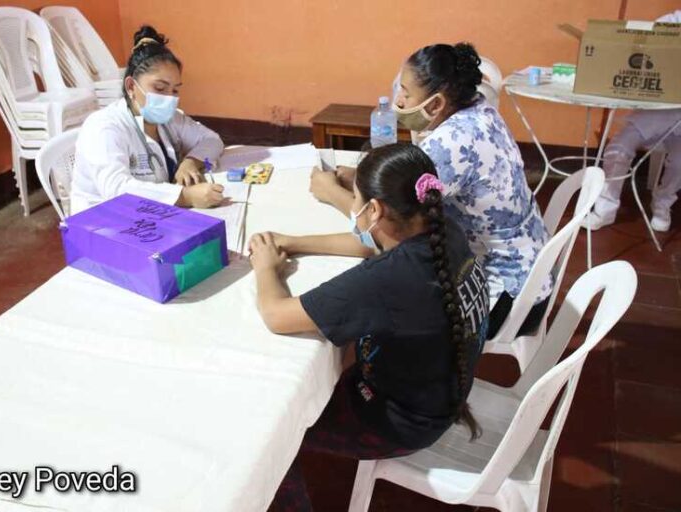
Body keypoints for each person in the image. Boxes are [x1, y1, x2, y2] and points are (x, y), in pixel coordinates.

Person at [248, 144, 490, 511]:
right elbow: (368, 245)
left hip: (397, 423)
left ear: (374, 210)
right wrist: (291, 241)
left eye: (357, 202)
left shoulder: (391, 281)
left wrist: (266, 267)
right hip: (436, 396)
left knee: (267, 439)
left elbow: (277, 315)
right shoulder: (442, 231)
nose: (355, 211)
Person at [310, 43, 550, 338]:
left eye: (407, 93)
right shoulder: (480, 109)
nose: (399, 100)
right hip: (532, 272)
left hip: (506, 297)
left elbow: (383, 223)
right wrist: (359, 178)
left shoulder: (450, 144)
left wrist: (330, 191)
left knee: (390, 299)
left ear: (436, 104)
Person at [71, 25, 225, 214]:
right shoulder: (104, 126)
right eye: (160, 88)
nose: (169, 98)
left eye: (175, 90)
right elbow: (116, 190)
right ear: (130, 86)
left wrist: (190, 162)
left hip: (151, 216)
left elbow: (212, 140)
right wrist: (184, 196)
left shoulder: (169, 119)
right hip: (105, 223)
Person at [588, 10, 681, 233]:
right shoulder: (672, 21)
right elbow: (644, 40)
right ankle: (605, 209)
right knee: (618, 149)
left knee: (679, 163)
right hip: (656, 112)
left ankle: (662, 203)